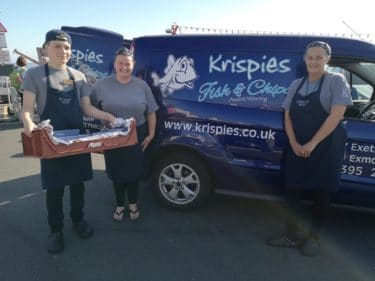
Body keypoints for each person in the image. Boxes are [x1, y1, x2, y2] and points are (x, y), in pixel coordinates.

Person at [21, 29, 116, 254]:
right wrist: (30, 126)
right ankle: (55, 231)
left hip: (77, 139)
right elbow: (26, 110)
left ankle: (78, 220)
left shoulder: (78, 76)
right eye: (57, 46)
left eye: (66, 48)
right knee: (54, 189)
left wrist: (108, 117)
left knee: (78, 184)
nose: (63, 51)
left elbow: (87, 108)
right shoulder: (34, 75)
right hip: (51, 141)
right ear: (46, 48)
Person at [266, 41, 352, 256]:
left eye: (319, 57)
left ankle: (314, 238)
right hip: (298, 147)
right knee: (291, 191)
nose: (313, 61)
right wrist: (295, 144)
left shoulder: (336, 80)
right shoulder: (297, 84)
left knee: (321, 195)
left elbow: (337, 115)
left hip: (325, 148)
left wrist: (312, 143)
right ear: (305, 59)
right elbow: (287, 116)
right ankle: (290, 235)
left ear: (327, 59)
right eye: (310, 57)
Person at [90, 47, 159, 222]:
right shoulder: (101, 84)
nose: (124, 67)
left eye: (127, 63)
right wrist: (103, 121)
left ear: (133, 65)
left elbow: (151, 112)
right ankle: (120, 204)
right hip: (112, 135)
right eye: (120, 63)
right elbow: (88, 107)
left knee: (133, 172)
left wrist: (150, 135)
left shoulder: (142, 85)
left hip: (137, 134)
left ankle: (134, 203)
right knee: (116, 172)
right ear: (114, 64)